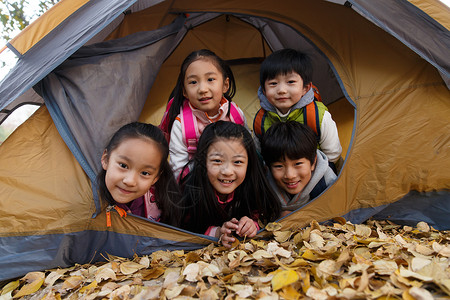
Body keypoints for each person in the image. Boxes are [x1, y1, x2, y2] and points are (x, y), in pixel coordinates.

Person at [179, 121, 280, 248]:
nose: (227, 171)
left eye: (237, 162)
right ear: (203, 161)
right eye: (217, 161)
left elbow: (263, 215)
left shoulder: (252, 186)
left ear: (249, 163)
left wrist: (251, 225)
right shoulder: (192, 191)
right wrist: (217, 233)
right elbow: (185, 230)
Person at [159, 49, 247, 179]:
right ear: (185, 91)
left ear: (225, 85)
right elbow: (178, 170)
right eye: (193, 82)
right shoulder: (181, 126)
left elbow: (248, 152)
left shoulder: (235, 115)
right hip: (196, 186)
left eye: (210, 79)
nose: (203, 89)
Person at [253, 48, 342, 170]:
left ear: (305, 88)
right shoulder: (261, 119)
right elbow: (260, 155)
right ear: (263, 89)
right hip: (279, 176)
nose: (281, 90)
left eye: (290, 82)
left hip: (317, 172)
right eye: (273, 83)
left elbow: (333, 154)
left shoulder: (317, 116)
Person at [97, 122, 181, 226]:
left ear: (156, 178)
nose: (130, 181)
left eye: (145, 173)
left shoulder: (160, 205)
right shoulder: (85, 201)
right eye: (123, 166)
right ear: (106, 159)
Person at [261, 121, 337, 217]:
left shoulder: (328, 183)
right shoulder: (264, 185)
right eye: (279, 166)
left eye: (298, 164)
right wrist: (276, 216)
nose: (289, 175)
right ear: (268, 167)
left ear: (313, 162)